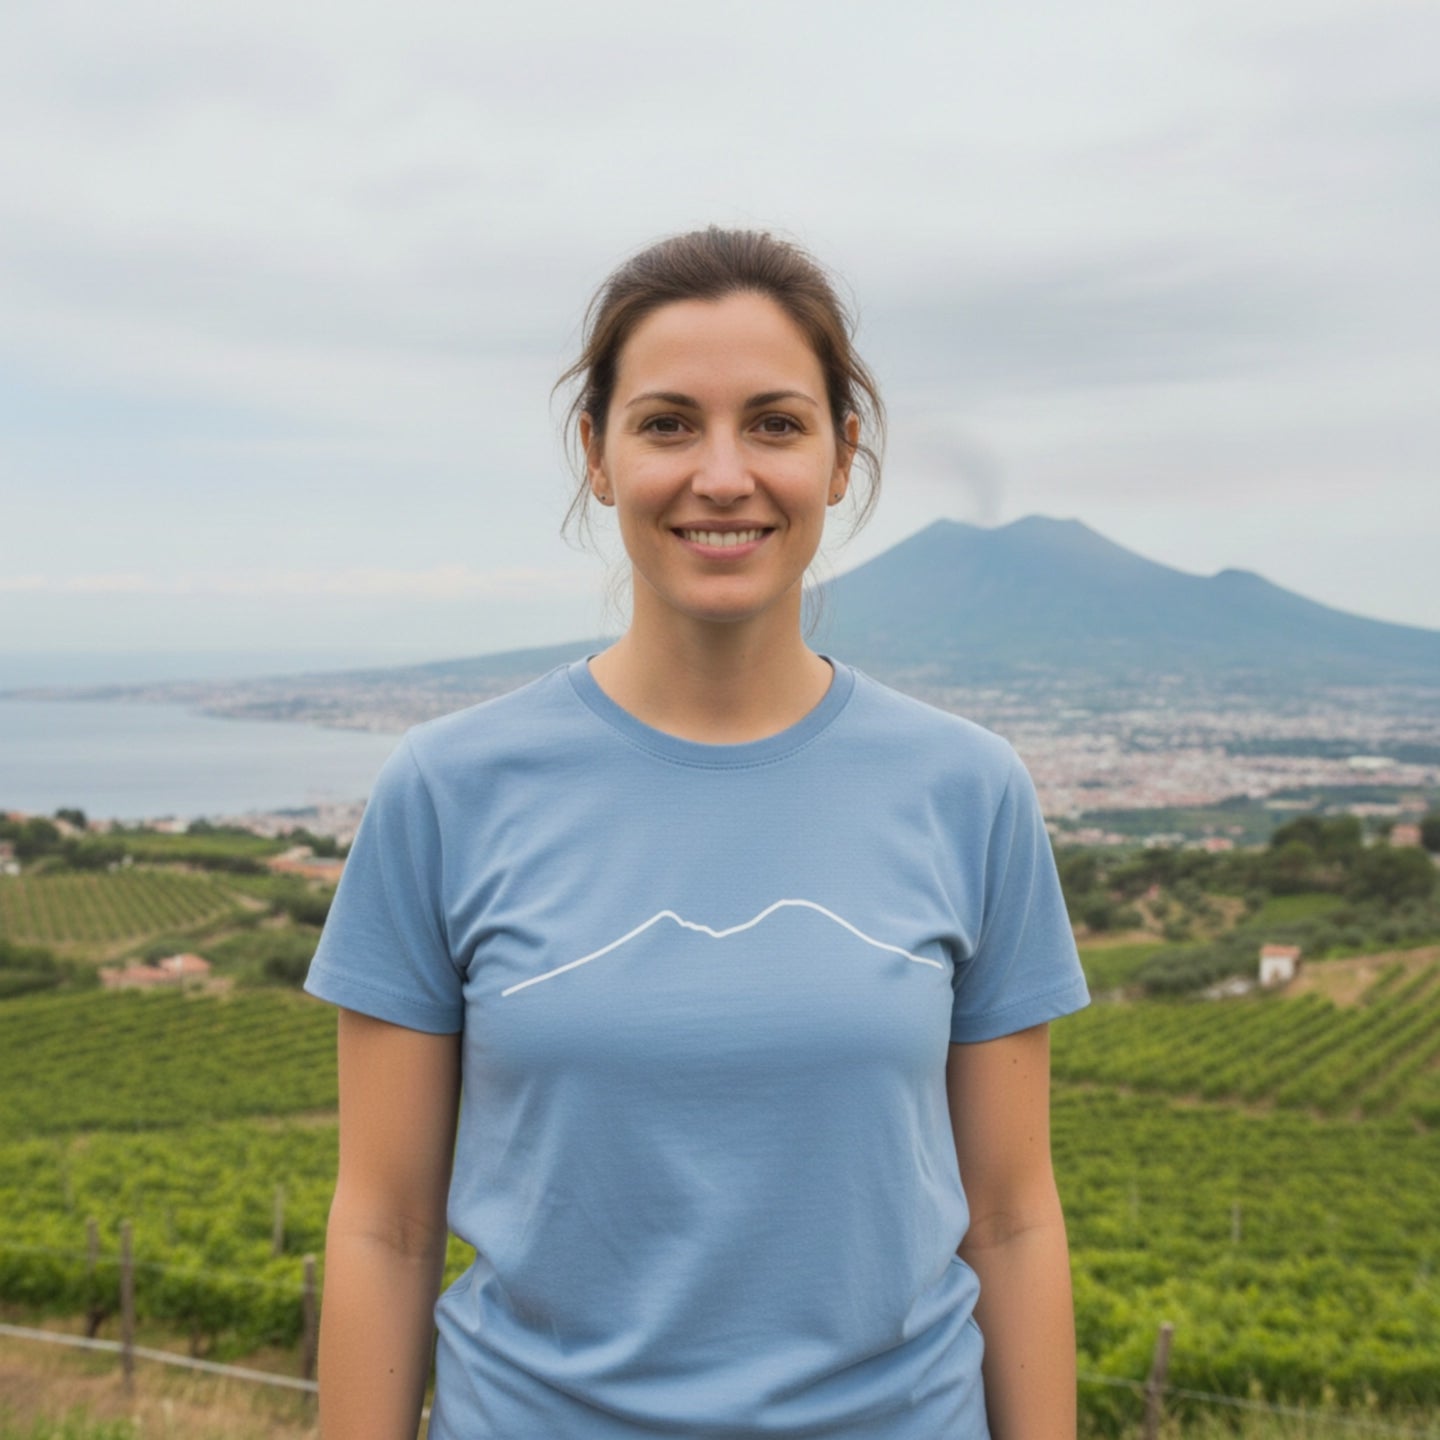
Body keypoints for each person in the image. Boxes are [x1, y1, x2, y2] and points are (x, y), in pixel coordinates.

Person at [304, 226, 1090, 1439]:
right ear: (598, 455)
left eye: (775, 423)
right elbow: (385, 1225)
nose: (722, 475)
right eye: (668, 423)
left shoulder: (968, 789)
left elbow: (1014, 1217)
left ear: (841, 457)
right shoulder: (447, 789)